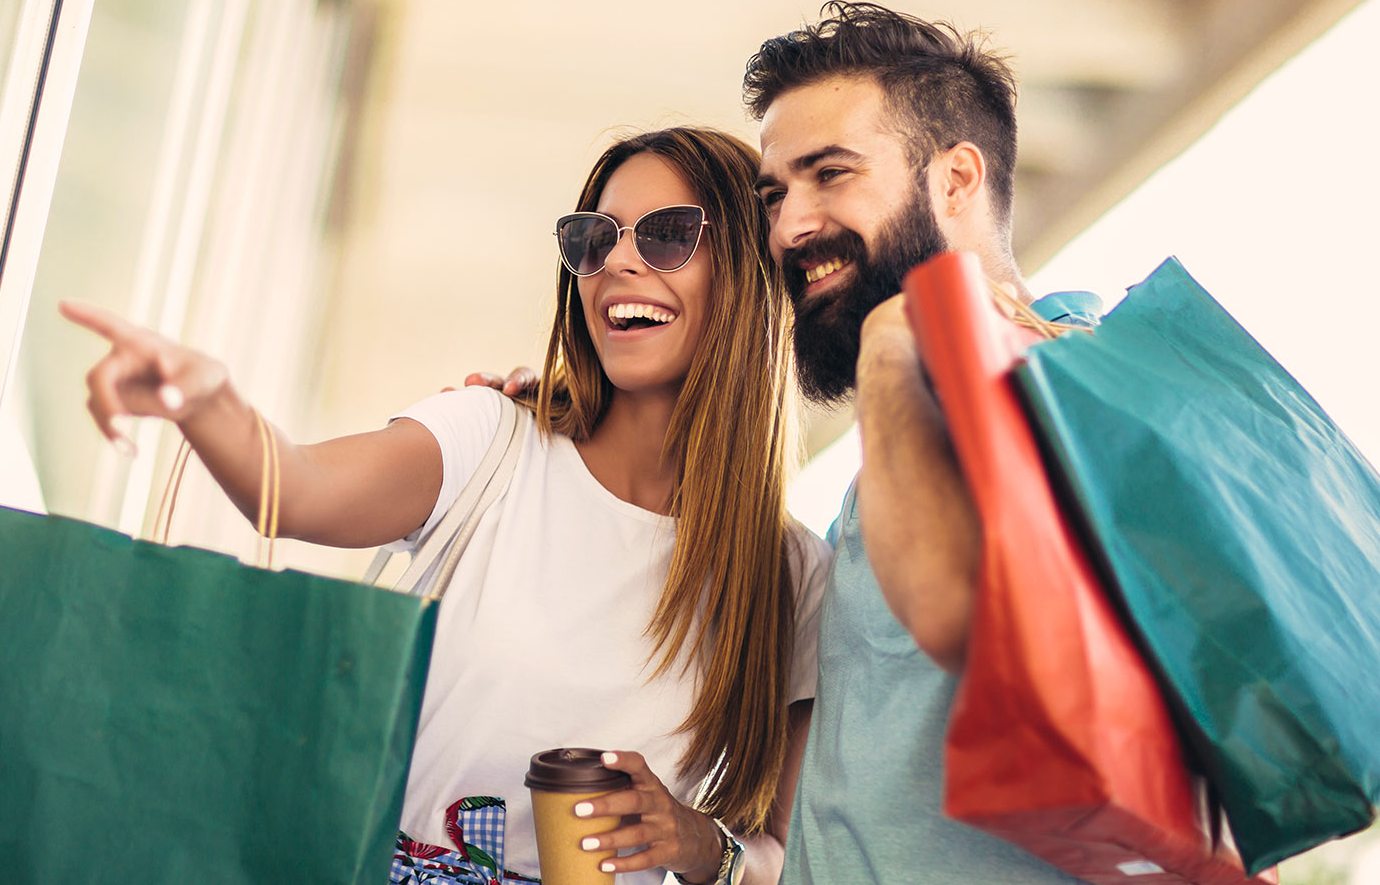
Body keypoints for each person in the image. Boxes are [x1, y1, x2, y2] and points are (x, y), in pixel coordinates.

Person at [60, 126, 830, 885]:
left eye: (667, 235)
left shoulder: (792, 575)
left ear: (748, 273)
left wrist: (703, 847)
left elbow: (789, 858)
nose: (618, 260)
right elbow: (290, 489)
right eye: (594, 239)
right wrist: (206, 401)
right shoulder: (490, 439)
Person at [745, 0, 1103, 885]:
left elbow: (951, 614)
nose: (790, 225)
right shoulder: (909, 429)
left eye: (830, 174)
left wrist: (891, 338)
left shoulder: (1069, 383)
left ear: (954, 181)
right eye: (775, 192)